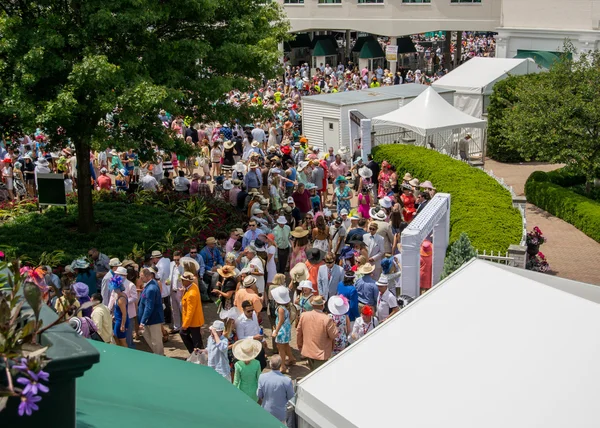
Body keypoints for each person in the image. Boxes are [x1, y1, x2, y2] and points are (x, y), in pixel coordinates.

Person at [296, 295, 337, 371]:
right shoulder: (327, 319)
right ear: (322, 306)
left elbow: (298, 332)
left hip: (308, 350)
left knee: (312, 372)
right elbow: (333, 335)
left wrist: (300, 345)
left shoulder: (304, 315)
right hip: (321, 353)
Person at [257, 355, 295, 423]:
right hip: (280, 413)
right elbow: (291, 396)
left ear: (270, 364)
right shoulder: (287, 380)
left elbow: (259, 394)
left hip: (266, 411)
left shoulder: (262, 377)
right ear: (280, 365)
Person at [108, 266, 138, 349]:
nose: (117, 276)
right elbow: (112, 297)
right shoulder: (116, 284)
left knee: (127, 338)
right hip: (117, 314)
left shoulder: (131, 285)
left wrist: (123, 303)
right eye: (117, 274)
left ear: (124, 276)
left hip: (128, 314)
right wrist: (109, 309)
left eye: (119, 274)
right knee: (118, 337)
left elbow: (134, 297)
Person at [138, 267, 165, 356]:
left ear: (147, 276)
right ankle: (158, 356)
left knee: (156, 341)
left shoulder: (151, 288)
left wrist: (142, 321)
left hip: (153, 319)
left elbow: (149, 307)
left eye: (141, 277)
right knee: (152, 340)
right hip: (150, 319)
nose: (140, 279)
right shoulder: (150, 285)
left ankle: (160, 358)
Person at [271, 286, 295, 374]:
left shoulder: (280, 308)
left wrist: (276, 331)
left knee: (280, 348)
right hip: (286, 328)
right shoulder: (285, 307)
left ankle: (282, 366)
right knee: (286, 345)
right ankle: (291, 358)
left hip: (282, 329)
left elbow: (281, 321)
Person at [180, 271, 205, 353]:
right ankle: (195, 354)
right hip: (193, 321)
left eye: (183, 280)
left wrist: (185, 325)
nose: (181, 281)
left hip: (193, 322)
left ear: (187, 281)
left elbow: (190, 312)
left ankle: (197, 355)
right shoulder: (193, 286)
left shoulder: (191, 294)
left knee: (196, 341)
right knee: (196, 340)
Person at [109, 275, 130, 347]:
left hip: (120, 321)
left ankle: (126, 355)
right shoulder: (122, 295)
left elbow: (124, 314)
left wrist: (122, 325)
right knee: (116, 336)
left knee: (122, 340)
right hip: (118, 319)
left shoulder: (121, 299)